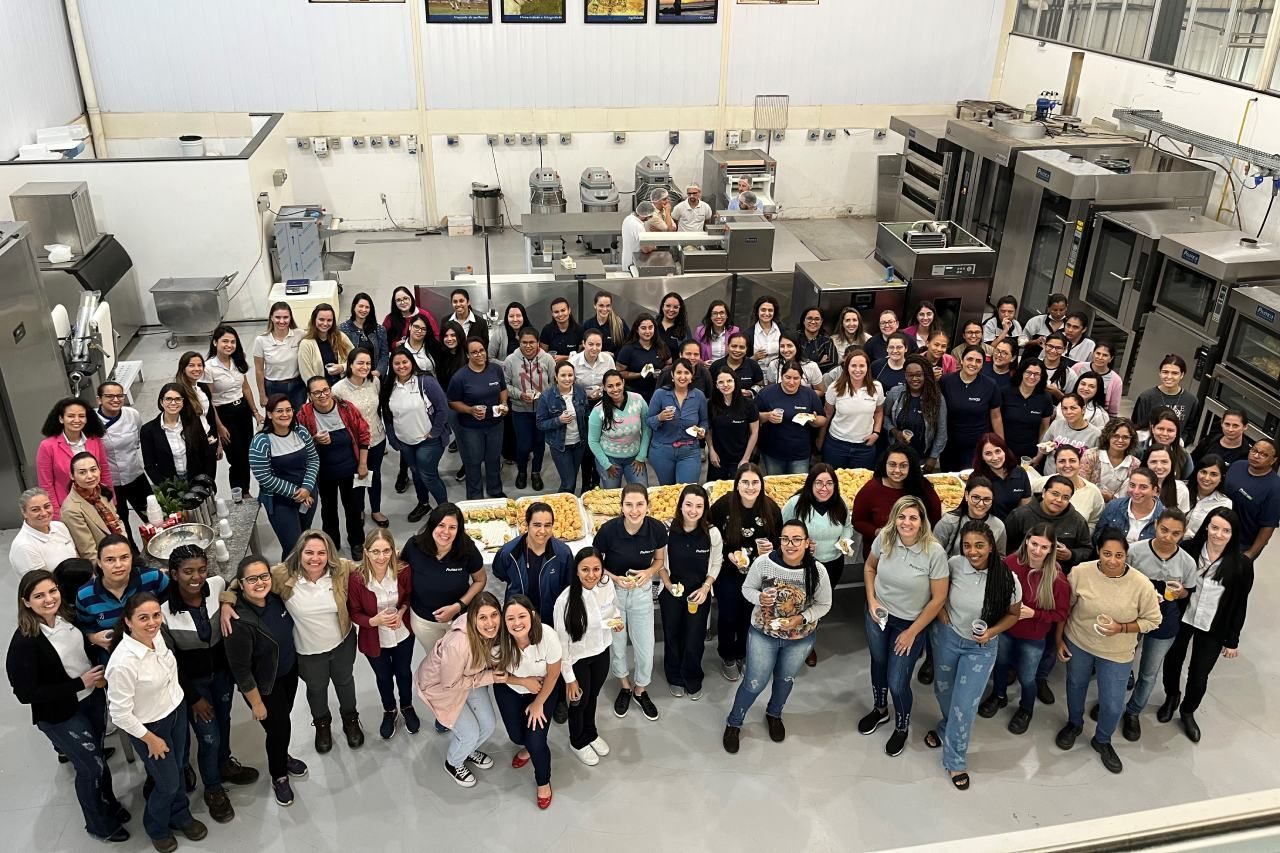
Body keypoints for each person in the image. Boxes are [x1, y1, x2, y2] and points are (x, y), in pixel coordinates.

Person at [7, 569, 129, 843]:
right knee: (91, 768)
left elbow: (74, 641)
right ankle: (98, 824)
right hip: (61, 714)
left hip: (91, 700)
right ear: (26, 602)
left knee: (97, 757)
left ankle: (109, 805)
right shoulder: (25, 643)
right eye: (39, 596)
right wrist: (79, 683)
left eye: (52, 591)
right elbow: (25, 693)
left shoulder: (67, 617)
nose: (49, 599)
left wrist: (91, 638)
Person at [220, 531, 364, 754]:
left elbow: (373, 563)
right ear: (299, 553)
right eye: (309, 552)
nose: (315, 558)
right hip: (308, 651)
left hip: (342, 643)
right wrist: (227, 601)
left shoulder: (341, 570)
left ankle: (351, 719)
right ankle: (322, 724)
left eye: (321, 553)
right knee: (316, 689)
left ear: (329, 555)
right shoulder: (282, 574)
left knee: (345, 682)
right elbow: (244, 581)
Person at [160, 546, 258, 823]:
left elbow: (235, 582)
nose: (196, 577)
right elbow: (170, 664)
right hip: (195, 687)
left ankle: (225, 764)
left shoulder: (215, 585)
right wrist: (193, 699)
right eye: (188, 571)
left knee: (224, 723)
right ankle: (213, 788)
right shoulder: (165, 613)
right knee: (208, 736)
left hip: (222, 678)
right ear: (174, 574)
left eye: (201, 569)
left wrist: (226, 602)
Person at [106, 593, 208, 851]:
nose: (152, 623)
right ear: (128, 621)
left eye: (155, 615)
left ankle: (181, 816)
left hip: (176, 711)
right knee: (168, 783)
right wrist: (150, 738)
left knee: (181, 766)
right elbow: (119, 714)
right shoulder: (123, 663)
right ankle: (157, 826)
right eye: (143, 618)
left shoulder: (156, 637)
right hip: (152, 728)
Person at [1054, 528, 1162, 774]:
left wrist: (1122, 627)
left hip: (1117, 651)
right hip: (1079, 641)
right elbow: (1065, 609)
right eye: (1107, 554)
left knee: (1113, 704)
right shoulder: (1080, 573)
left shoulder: (1140, 584)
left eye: (1119, 555)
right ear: (1098, 553)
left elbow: (1153, 620)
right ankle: (1074, 724)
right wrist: (1059, 640)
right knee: (1075, 685)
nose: (1113, 561)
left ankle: (1102, 739)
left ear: (1126, 555)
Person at [722, 518, 832, 753]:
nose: (790, 544)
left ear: (806, 543)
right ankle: (734, 721)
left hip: (800, 638)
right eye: (785, 539)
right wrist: (759, 598)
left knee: (785, 680)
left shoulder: (818, 570)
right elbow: (747, 588)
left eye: (797, 539)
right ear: (779, 541)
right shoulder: (763, 563)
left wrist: (801, 618)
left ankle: (774, 713)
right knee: (754, 682)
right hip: (763, 634)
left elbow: (824, 604)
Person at [924, 523, 1021, 789]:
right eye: (967, 545)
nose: (973, 551)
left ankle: (955, 760)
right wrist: (943, 616)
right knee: (943, 691)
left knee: (964, 705)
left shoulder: (1007, 578)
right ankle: (946, 728)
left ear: (991, 546)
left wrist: (992, 632)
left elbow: (1013, 614)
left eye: (979, 545)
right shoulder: (954, 565)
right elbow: (937, 593)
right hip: (948, 638)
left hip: (981, 648)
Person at [859, 495, 949, 758]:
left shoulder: (934, 552)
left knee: (898, 682)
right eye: (901, 516)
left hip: (910, 623)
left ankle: (902, 725)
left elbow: (939, 598)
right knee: (878, 663)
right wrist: (872, 601)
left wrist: (912, 632)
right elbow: (868, 568)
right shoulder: (885, 539)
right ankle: (879, 709)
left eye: (913, 517)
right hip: (878, 616)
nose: (906, 523)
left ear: (922, 522)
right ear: (894, 518)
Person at [1159, 507, 1253, 743]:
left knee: (1199, 673)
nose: (1218, 535)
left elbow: (1239, 605)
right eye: (1214, 527)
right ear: (1206, 526)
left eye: (1225, 530)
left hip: (1213, 625)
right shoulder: (1188, 549)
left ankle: (1188, 711)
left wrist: (1233, 640)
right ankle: (1171, 697)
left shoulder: (1241, 565)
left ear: (1233, 534)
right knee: (1172, 660)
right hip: (1182, 617)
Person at [222, 555, 308, 807]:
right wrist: (257, 703)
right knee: (279, 729)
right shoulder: (238, 621)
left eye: (263, 576)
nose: (259, 583)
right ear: (241, 583)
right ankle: (279, 775)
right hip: (265, 686)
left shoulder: (275, 598)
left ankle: (282, 755)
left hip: (288, 674)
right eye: (251, 579)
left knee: (279, 727)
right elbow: (240, 670)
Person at [979, 523, 1069, 733]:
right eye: (1034, 544)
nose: (1037, 551)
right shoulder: (1010, 562)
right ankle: (998, 696)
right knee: (1000, 665)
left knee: (1028, 676)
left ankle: (1026, 709)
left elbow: (1061, 614)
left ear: (1051, 549)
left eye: (1044, 547)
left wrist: (1035, 614)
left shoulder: (1057, 579)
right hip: (1006, 630)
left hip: (1033, 637)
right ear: (1027, 540)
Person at [593, 484, 667, 721]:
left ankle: (640, 689)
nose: (634, 510)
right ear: (621, 507)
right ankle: (624, 685)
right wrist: (614, 578)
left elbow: (659, 560)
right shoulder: (608, 531)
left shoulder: (656, 529)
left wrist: (648, 573)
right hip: (612, 595)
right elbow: (596, 564)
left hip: (642, 592)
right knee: (616, 643)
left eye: (639, 504)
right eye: (629, 505)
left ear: (648, 506)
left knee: (645, 645)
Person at [414, 592, 503, 788]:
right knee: (469, 733)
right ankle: (453, 763)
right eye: (483, 617)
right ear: (472, 618)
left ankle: (468, 750)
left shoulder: (495, 631)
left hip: (471, 676)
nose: (490, 623)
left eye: (494, 615)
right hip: (442, 688)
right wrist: (490, 677)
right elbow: (450, 684)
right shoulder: (458, 644)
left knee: (488, 725)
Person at [1122, 509, 1196, 740]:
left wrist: (1181, 591)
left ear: (1182, 535)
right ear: (1155, 525)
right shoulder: (1135, 551)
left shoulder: (1187, 562)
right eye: (1164, 530)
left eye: (1175, 534)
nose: (1167, 537)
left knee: (1148, 672)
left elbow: (1187, 593)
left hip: (1165, 621)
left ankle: (1133, 712)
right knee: (1121, 662)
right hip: (1132, 615)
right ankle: (1111, 702)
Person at [346, 529, 419, 741]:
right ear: (366, 553)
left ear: (394, 550)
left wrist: (403, 612)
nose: (381, 557)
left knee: (404, 672)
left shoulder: (403, 571)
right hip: (373, 638)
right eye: (375, 551)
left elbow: (409, 597)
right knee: (384, 677)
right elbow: (354, 613)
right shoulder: (357, 579)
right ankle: (390, 710)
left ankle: (406, 705)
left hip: (402, 633)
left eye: (386, 551)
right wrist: (374, 621)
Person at [711, 464, 782, 681]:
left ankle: (742, 651)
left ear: (761, 484)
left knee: (749, 614)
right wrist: (727, 553)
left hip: (758, 576)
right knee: (728, 614)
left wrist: (771, 550)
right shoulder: (724, 505)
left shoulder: (771, 509)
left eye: (755, 482)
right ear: (737, 484)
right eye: (745, 482)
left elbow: (780, 542)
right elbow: (709, 534)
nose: (750, 487)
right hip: (728, 572)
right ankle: (727, 655)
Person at [553, 548, 621, 766]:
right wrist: (569, 678)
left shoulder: (606, 584)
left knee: (593, 697)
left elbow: (614, 608)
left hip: (601, 652)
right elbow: (562, 645)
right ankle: (577, 741)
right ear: (576, 571)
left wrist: (617, 620)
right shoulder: (565, 601)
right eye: (585, 570)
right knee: (579, 702)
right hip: (578, 659)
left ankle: (590, 733)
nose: (591, 575)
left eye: (596, 569)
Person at [782, 466, 853, 668]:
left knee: (818, 606)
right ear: (810, 484)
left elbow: (847, 526)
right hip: (803, 566)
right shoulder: (796, 504)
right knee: (798, 604)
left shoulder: (840, 504)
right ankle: (792, 641)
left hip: (833, 564)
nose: (824, 488)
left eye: (829, 483)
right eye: (819, 483)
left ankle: (807, 641)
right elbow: (782, 529)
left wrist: (845, 541)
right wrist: (800, 545)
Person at [402, 504, 487, 671]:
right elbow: (398, 571)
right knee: (437, 659)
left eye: (452, 527)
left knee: (464, 658)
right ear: (432, 525)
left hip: (460, 619)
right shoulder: (414, 546)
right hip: (425, 622)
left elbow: (480, 580)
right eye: (441, 525)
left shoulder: (467, 549)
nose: (446, 532)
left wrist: (458, 606)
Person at [493, 596, 560, 808]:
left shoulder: (547, 635)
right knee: (516, 736)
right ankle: (526, 748)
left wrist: (539, 702)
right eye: (510, 618)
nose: (517, 623)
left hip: (543, 689)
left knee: (536, 741)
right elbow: (498, 674)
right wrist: (523, 681)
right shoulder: (497, 642)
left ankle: (543, 781)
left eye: (522, 616)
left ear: (531, 615)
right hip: (510, 689)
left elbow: (553, 673)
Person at [660, 486, 722, 697]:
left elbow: (716, 564)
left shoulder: (712, 533)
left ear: (705, 508)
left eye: (698, 506)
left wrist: (706, 588)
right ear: (680, 505)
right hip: (672, 591)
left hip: (698, 593)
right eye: (688, 505)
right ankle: (674, 675)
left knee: (694, 637)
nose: (693, 510)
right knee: (672, 634)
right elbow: (660, 563)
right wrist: (668, 585)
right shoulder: (667, 530)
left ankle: (692, 676)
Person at [381, 348, 450, 523]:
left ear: (412, 362)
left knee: (427, 473)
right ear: (392, 365)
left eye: (405, 362)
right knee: (415, 472)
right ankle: (424, 503)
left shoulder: (426, 381)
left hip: (429, 441)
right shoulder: (389, 386)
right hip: (405, 441)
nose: (401, 366)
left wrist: (434, 432)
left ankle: (445, 511)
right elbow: (387, 416)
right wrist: (393, 439)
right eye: (397, 363)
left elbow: (442, 409)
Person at [249, 395, 318, 560]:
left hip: (308, 494)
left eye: (288, 410)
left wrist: (307, 488)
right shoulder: (261, 442)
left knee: (304, 539)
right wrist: (297, 493)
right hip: (280, 501)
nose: (285, 414)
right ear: (270, 414)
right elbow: (264, 477)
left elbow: (313, 459)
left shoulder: (301, 431)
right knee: (293, 546)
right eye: (279, 411)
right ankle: (288, 579)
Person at [75, 536, 169, 652]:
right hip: (116, 654)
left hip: (159, 647)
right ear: (99, 562)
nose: (118, 565)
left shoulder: (154, 578)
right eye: (110, 560)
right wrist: (92, 637)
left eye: (124, 557)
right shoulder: (85, 595)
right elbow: (84, 626)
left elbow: (173, 605)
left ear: (132, 558)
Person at [851, 444, 943, 558]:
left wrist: (920, 535)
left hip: (915, 552)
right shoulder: (871, 489)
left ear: (911, 466)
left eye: (903, 466)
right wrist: (877, 532)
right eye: (892, 465)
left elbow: (935, 517)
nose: (897, 470)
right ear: (885, 465)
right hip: (880, 553)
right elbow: (858, 520)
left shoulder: (921, 486)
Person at [493, 501, 575, 626]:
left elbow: (568, 586)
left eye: (548, 525)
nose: (543, 531)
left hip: (551, 618)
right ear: (527, 525)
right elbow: (500, 573)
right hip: (517, 618)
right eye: (537, 525)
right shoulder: (508, 553)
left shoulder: (563, 554)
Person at [334, 347, 389, 528]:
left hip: (377, 438)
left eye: (368, 363)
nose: (364, 367)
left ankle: (376, 509)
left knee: (375, 475)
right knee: (357, 477)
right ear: (350, 365)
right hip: (354, 443)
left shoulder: (374, 382)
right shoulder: (338, 390)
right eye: (360, 363)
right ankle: (359, 509)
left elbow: (379, 408)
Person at [448, 337, 509, 500]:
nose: (479, 355)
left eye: (481, 350)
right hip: (471, 427)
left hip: (495, 424)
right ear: (467, 355)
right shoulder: (460, 377)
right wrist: (470, 410)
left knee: (494, 458)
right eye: (474, 352)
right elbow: (452, 402)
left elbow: (502, 389)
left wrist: (503, 403)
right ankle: (475, 496)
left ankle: (495, 490)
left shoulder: (495, 369)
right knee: (473, 462)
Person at [204, 327, 261, 496]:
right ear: (215, 342)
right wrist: (219, 426)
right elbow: (209, 400)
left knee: (247, 455)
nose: (229, 345)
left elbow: (245, 387)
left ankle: (246, 490)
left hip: (242, 411)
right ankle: (239, 492)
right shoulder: (209, 368)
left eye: (232, 341)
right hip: (224, 413)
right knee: (236, 458)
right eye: (225, 341)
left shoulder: (237, 360)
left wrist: (255, 412)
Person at [37, 397, 113, 520]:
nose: (77, 420)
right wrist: (56, 515)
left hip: (98, 502)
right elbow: (46, 485)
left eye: (81, 416)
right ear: (61, 418)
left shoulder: (94, 440)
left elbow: (104, 471)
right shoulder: (47, 446)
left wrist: (111, 500)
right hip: (69, 509)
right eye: (71, 416)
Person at [96, 381, 151, 540]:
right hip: (109, 482)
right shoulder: (92, 420)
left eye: (120, 395)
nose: (115, 399)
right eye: (109, 396)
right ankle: (131, 554)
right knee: (120, 523)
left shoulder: (132, 414)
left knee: (151, 515)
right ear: (99, 399)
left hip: (135, 474)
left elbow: (139, 438)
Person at [1005, 475, 1093, 571]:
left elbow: (1087, 550)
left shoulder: (1078, 521)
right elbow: (1007, 548)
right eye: (1055, 494)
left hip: (1060, 575)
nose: (1059, 500)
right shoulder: (1019, 516)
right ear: (1043, 493)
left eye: (1065, 497)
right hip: (1021, 572)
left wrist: (1070, 555)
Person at [504, 327, 555, 491]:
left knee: (540, 443)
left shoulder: (547, 359)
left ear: (538, 342)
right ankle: (521, 472)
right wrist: (519, 394)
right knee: (524, 445)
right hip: (520, 410)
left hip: (542, 411)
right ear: (519, 343)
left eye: (532, 342)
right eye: (524, 342)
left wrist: (545, 397)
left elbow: (555, 384)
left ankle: (535, 472)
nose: (528, 346)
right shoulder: (511, 360)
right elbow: (504, 385)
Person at [755, 362, 826, 475]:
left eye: (796, 378)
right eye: (787, 377)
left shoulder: (809, 394)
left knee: (798, 487)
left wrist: (814, 420)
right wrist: (768, 416)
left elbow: (823, 419)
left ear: (801, 378)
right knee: (774, 486)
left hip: (800, 453)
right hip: (772, 452)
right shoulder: (766, 393)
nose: (791, 382)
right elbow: (753, 418)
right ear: (781, 376)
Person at [141, 382, 218, 486]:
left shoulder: (194, 422)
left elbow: (206, 453)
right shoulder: (148, 430)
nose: (173, 403)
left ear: (183, 402)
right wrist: (166, 488)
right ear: (161, 402)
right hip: (170, 486)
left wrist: (206, 481)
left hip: (197, 481)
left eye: (178, 399)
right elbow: (150, 465)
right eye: (168, 399)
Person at [646, 358, 709, 484]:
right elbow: (648, 421)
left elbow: (704, 421)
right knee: (667, 491)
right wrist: (660, 418)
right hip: (662, 450)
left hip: (689, 450)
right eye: (679, 372)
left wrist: (702, 430)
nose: (683, 376)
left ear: (692, 376)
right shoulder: (660, 394)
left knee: (687, 490)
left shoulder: (698, 396)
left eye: (686, 373)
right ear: (672, 375)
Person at [940, 347, 1003, 472]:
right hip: (949, 444)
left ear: (983, 365)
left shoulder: (990, 385)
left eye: (978, 361)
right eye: (969, 359)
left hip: (976, 445)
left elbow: (996, 416)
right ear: (962, 361)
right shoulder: (946, 381)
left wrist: (1001, 444)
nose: (973, 364)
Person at [820, 348, 883, 470]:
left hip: (864, 448)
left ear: (867, 367)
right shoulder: (835, 387)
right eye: (853, 365)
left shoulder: (877, 387)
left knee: (861, 485)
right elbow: (827, 414)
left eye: (862, 366)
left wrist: (876, 433)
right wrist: (820, 439)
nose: (858, 370)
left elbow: (879, 411)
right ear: (847, 367)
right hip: (836, 445)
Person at [587, 369, 651, 488]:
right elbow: (593, 441)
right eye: (610, 386)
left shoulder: (638, 400)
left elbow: (647, 429)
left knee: (642, 492)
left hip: (635, 458)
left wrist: (641, 456)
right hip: (609, 459)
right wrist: (606, 464)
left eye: (618, 384)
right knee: (612, 497)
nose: (615, 389)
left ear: (623, 382)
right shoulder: (598, 410)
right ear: (604, 388)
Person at [884, 355, 947, 471]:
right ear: (905, 376)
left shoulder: (936, 398)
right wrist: (895, 432)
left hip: (923, 459)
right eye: (910, 375)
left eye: (919, 375)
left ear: (926, 375)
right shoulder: (895, 393)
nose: (914, 379)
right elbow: (884, 417)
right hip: (897, 457)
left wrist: (933, 457)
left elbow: (942, 431)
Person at [536, 361, 590, 494]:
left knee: (572, 478)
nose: (567, 379)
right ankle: (562, 508)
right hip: (560, 446)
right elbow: (540, 424)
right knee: (569, 482)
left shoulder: (579, 391)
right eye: (563, 375)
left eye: (570, 375)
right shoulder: (547, 396)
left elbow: (587, 413)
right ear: (556, 376)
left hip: (579, 443)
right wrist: (558, 420)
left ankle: (568, 504)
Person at [62, 453, 126, 562]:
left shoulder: (101, 491)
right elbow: (89, 553)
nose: (90, 476)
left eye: (93, 470)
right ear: (72, 475)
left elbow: (117, 520)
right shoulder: (71, 509)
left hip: (122, 551)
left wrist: (125, 548)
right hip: (106, 565)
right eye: (82, 472)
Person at [1223, 438, 1280, 559]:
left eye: (1264, 454)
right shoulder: (1237, 466)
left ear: (1273, 460)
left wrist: (1250, 554)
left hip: (1242, 543)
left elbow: (1268, 526)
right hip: (1218, 529)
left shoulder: (1275, 488)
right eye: (1254, 450)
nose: (1256, 456)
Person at [1033, 445, 1104, 532]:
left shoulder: (1093, 491)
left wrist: (1082, 537)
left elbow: (1094, 520)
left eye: (1072, 461)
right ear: (1056, 464)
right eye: (1062, 461)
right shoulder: (1041, 484)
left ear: (1079, 463)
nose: (1067, 465)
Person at [933, 477, 1008, 557]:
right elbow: (933, 553)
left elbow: (1000, 557)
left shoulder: (998, 526)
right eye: (976, 498)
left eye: (987, 499)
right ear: (966, 495)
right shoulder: (949, 521)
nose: (981, 504)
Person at [705, 369, 758, 482]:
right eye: (721, 382)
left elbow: (754, 432)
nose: (725, 385)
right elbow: (708, 429)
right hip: (718, 459)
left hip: (740, 459)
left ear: (735, 382)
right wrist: (711, 450)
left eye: (729, 381)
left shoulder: (749, 404)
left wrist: (746, 458)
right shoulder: (711, 404)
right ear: (716, 385)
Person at [9, 488, 77, 577]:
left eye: (47, 506)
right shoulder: (24, 546)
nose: (44, 513)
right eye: (35, 510)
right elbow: (43, 583)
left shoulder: (60, 527)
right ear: (24, 513)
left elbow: (76, 557)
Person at [253, 303, 307, 410]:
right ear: (271, 318)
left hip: (297, 386)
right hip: (273, 387)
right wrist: (262, 395)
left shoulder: (300, 335)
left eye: (285, 317)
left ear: (290, 318)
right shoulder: (261, 340)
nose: (282, 321)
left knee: (299, 417)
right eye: (278, 317)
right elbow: (259, 370)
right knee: (277, 419)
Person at [1095, 466, 1166, 548]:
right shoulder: (1114, 506)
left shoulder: (1164, 516)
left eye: (1143, 487)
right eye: (1132, 485)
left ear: (1154, 491)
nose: (1136, 491)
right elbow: (1098, 536)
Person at [999, 360, 1053, 464]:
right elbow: (996, 420)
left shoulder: (1045, 398)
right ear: (1021, 372)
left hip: (1030, 453)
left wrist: (1039, 455)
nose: (1032, 377)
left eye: (1037, 374)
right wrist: (1001, 447)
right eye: (1028, 372)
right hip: (1005, 449)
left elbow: (1044, 428)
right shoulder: (1005, 392)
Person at [971, 433, 1032, 518]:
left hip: (1014, 525)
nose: (995, 458)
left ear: (1005, 451)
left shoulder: (1020, 472)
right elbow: (974, 511)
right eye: (988, 453)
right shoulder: (976, 478)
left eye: (998, 451)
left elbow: (1025, 507)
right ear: (982, 457)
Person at [1131, 354, 1198, 431]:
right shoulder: (1146, 397)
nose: (1169, 377)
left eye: (1175, 373)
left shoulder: (1191, 400)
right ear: (1160, 373)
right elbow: (1138, 426)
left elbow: (1191, 429)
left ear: (1182, 375)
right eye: (1165, 372)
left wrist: (1180, 441)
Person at [1039, 393, 1102, 474]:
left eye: (1073, 408)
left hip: (1075, 481)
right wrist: (1045, 449)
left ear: (1083, 410)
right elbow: (1043, 447)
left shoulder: (1095, 434)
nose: (1068, 412)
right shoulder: (1056, 425)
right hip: (1050, 477)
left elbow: (1096, 464)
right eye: (1064, 408)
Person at [1082, 417, 1141, 502]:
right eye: (1116, 436)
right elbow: (1081, 486)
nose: (1120, 440)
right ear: (1108, 436)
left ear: (1131, 440)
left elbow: (1129, 496)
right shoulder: (1091, 456)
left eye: (1125, 437)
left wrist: (1111, 498)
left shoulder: (1135, 464)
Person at [616, 313, 670, 401]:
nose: (647, 331)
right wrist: (640, 374)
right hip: (634, 394)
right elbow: (619, 372)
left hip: (658, 392)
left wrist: (661, 372)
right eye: (643, 328)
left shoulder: (661, 346)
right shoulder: (628, 349)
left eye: (650, 327)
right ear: (637, 330)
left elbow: (670, 364)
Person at [339, 292, 391, 377]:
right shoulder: (343, 329)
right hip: (353, 377)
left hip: (374, 376)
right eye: (360, 306)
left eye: (367, 307)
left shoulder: (379, 330)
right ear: (354, 307)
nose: (364, 310)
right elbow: (342, 357)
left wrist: (378, 372)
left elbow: (384, 355)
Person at [174, 351, 219, 446]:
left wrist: (218, 442)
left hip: (209, 439)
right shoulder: (178, 393)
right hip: (192, 444)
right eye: (191, 365)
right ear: (183, 369)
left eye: (200, 365)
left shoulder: (203, 388)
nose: (197, 369)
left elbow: (209, 417)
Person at [1185, 455, 1233, 539]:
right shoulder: (1181, 488)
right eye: (1203, 472)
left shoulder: (1225, 503)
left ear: (1221, 478)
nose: (1207, 478)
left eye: (1213, 474)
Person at [1071, 341, 1123, 417]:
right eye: (1098, 353)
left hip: (1097, 417)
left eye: (1105, 355)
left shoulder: (1116, 380)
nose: (1100, 357)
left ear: (1111, 358)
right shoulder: (1078, 367)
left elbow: (1113, 411)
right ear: (1093, 353)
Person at [570, 328, 616, 411]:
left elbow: (614, 381)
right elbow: (569, 386)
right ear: (584, 344)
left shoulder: (608, 359)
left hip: (604, 400)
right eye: (590, 344)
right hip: (580, 402)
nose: (594, 348)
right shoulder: (573, 362)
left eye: (598, 345)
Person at [1140, 407, 1191, 479]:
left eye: (1170, 430)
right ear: (1152, 429)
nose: (1164, 434)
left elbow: (1187, 482)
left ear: (1177, 432)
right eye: (1160, 429)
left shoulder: (1184, 456)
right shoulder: (1138, 450)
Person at [383, 285, 438, 351]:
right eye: (398, 300)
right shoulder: (390, 319)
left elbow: (436, 336)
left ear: (411, 298)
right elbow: (382, 342)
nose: (402, 302)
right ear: (395, 303)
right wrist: (395, 345)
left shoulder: (424, 314)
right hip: (399, 356)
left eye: (405, 298)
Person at [709, 332, 764, 399]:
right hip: (720, 406)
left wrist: (751, 392)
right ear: (727, 346)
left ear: (746, 349)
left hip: (746, 405)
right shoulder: (716, 366)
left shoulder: (753, 365)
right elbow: (710, 389)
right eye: (734, 346)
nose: (737, 350)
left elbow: (760, 386)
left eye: (742, 347)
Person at [1143, 446, 1190, 513]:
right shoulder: (1133, 484)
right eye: (1153, 462)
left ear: (1172, 464)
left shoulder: (1181, 490)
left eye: (1164, 462)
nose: (1159, 466)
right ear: (1146, 464)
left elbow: (1180, 520)